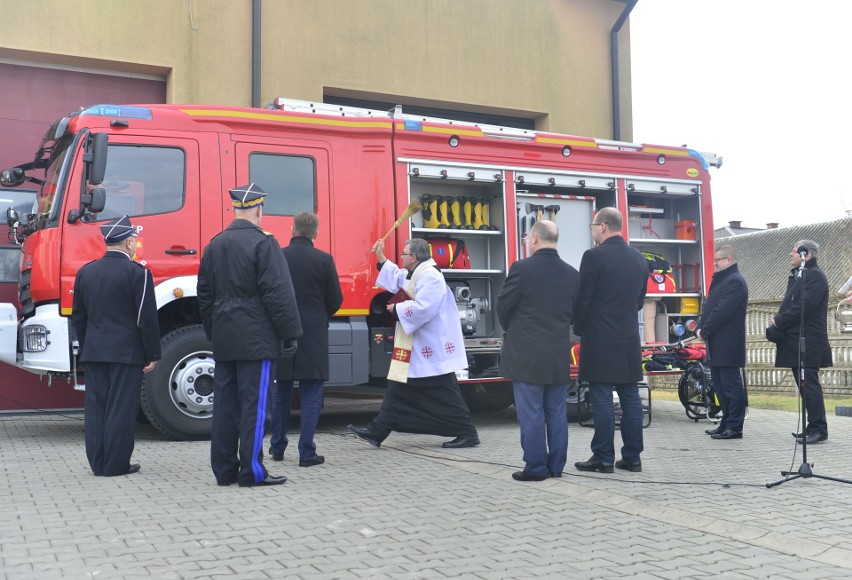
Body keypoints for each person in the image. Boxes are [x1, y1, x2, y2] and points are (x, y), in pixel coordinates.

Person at [197, 183, 302, 487]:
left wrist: (213, 331)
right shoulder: (264, 243)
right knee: (255, 408)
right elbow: (278, 294)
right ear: (258, 209)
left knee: (225, 407)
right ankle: (252, 472)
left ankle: (224, 470)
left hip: (225, 338)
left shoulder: (215, 244)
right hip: (257, 339)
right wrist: (290, 333)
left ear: (236, 210)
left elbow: (204, 294)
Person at [348, 237, 479, 448]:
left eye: (404, 255)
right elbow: (399, 279)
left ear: (414, 257)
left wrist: (396, 310)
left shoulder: (431, 277)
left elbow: (424, 308)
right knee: (398, 385)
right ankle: (377, 431)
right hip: (416, 343)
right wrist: (381, 258)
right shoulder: (418, 273)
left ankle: (467, 432)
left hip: (430, 345)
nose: (401, 258)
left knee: (444, 390)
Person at [71, 215, 160, 477]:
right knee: (121, 409)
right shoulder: (138, 274)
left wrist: (88, 347)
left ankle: (97, 463)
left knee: (97, 408)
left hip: (95, 352)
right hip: (127, 353)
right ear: (129, 242)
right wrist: (152, 353)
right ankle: (116, 464)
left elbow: (79, 316)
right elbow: (146, 317)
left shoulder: (85, 272)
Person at [497, 221, 580, 481]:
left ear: (533, 239)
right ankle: (556, 467)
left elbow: (504, 307)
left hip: (526, 353)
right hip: (557, 353)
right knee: (556, 412)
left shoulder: (522, 269)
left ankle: (534, 468)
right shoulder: (572, 273)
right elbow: (574, 314)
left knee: (531, 412)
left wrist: (517, 330)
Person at [573, 207, 647, 474]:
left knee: (601, 395)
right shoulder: (639, 259)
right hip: (628, 338)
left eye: (593, 226)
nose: (592, 230)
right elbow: (639, 300)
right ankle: (633, 458)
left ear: (602, 226)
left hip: (599, 337)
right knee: (630, 396)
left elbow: (584, 299)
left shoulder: (593, 257)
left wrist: (579, 326)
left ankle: (603, 457)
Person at [269, 212, 343, 467]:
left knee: (281, 390)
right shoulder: (324, 259)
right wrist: (318, 313)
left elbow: (270, 293)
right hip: (313, 333)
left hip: (283, 332)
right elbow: (336, 300)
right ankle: (306, 452)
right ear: (315, 233)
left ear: (292, 229)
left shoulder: (277, 256)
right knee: (312, 392)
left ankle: (277, 447)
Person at [768, 240, 832, 445]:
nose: (790, 254)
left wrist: (779, 321)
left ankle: (819, 429)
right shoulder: (801, 275)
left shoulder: (815, 277)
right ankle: (812, 426)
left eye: (794, 251)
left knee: (809, 384)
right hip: (797, 339)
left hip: (809, 340)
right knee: (803, 385)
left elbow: (804, 307)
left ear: (807, 255)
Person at [696, 245, 749, 440]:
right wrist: (700, 326)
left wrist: (705, 329)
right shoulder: (721, 281)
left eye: (718, 260)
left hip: (728, 343)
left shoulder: (735, 282)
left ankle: (735, 426)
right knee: (719, 386)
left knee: (731, 386)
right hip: (717, 343)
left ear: (729, 260)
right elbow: (710, 307)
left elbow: (722, 311)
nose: (715, 263)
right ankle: (725, 423)